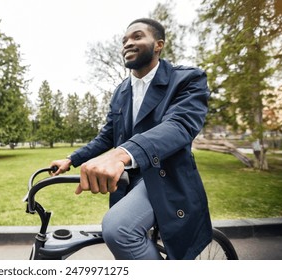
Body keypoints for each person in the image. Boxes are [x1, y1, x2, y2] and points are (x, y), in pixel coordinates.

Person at [50, 18, 212, 260]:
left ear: (158, 45)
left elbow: (179, 126)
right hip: (127, 182)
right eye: (124, 40)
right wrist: (71, 159)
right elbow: (107, 136)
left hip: (165, 175)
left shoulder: (188, 79)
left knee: (118, 230)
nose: (127, 43)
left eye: (136, 37)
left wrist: (122, 153)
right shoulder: (121, 91)